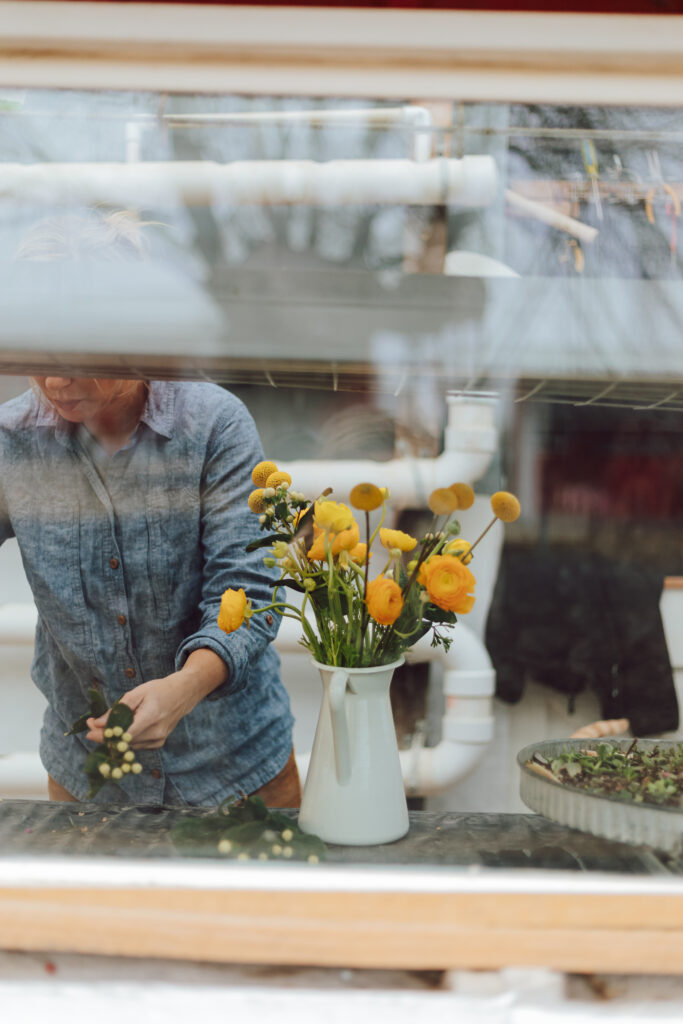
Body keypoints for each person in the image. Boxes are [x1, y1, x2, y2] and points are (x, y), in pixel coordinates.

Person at [1, 211, 300, 807]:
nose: (57, 377)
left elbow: (252, 588)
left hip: (236, 772)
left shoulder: (212, 425)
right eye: (38, 346)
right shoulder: (9, 441)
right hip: (89, 774)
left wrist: (188, 686)